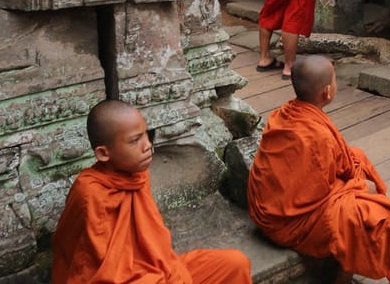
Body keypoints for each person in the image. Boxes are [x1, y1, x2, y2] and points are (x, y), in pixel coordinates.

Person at [247, 55, 390, 284]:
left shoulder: (283, 113)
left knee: (358, 157)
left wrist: (355, 182)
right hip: (287, 223)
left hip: (269, 206)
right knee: (363, 214)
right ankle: (342, 279)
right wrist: (358, 186)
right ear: (327, 92)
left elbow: (328, 168)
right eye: (335, 80)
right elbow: (321, 185)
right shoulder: (318, 135)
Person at [51, 100, 252, 284]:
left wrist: (167, 273)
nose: (147, 145)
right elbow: (96, 272)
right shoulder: (89, 193)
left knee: (235, 264)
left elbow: (154, 248)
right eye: (134, 141)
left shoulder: (137, 176)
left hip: (159, 269)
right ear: (104, 153)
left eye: (146, 135)